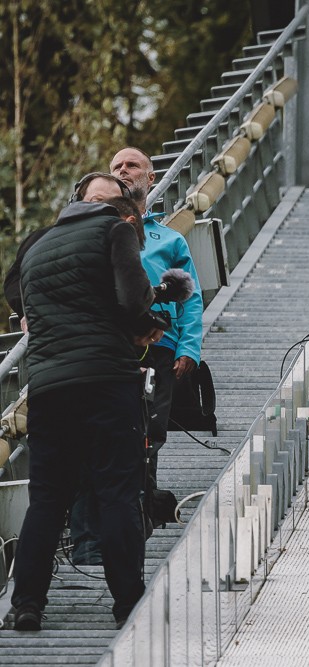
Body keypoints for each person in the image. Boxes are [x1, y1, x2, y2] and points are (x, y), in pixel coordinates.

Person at [4, 192, 161, 631]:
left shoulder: (37, 245)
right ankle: (128, 602)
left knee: (47, 499)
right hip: (106, 379)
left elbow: (30, 307)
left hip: (49, 387)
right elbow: (132, 299)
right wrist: (147, 326)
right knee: (117, 491)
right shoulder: (116, 230)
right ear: (128, 216)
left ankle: (27, 603)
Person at [69, 147, 205, 564]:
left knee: (149, 435)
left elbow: (191, 297)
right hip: (105, 347)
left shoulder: (169, 239)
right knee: (102, 436)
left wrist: (189, 347)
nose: (123, 171)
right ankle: (94, 535)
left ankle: (138, 522)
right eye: (116, 167)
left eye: (132, 166)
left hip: (158, 347)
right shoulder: (90, 234)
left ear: (151, 177)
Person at [3, 173, 132, 331]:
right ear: (76, 202)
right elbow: (14, 280)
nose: (106, 207)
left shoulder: (121, 243)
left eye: (115, 204)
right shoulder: (41, 238)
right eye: (98, 200)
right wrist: (27, 311)